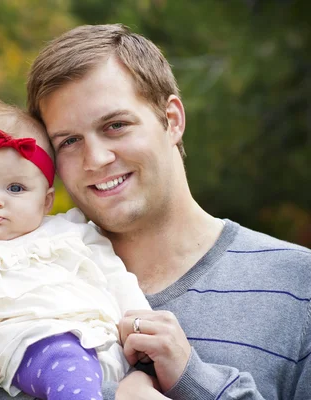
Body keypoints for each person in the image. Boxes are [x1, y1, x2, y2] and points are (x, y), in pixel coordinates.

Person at [26, 24, 311, 399]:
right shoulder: (19, 275)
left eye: (115, 126)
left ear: (172, 119)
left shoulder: (299, 286)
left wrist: (193, 379)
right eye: (70, 141)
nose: (95, 159)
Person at [0, 97, 154, 400]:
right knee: (63, 363)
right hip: (22, 346)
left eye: (15, 188)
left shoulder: (74, 230)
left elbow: (117, 278)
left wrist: (141, 323)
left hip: (102, 340)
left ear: (46, 200)